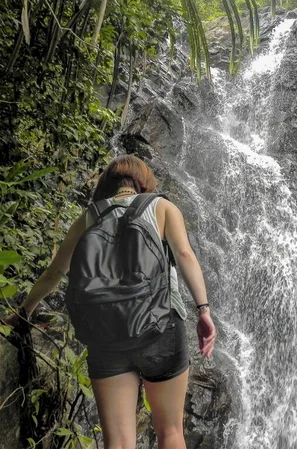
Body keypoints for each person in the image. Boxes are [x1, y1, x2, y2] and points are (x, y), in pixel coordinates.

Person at [2, 154, 216, 449]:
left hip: (105, 335)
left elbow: (55, 272)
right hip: (161, 329)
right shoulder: (161, 206)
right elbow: (185, 256)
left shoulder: (90, 216)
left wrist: (23, 311)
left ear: (107, 184)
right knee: (170, 432)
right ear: (143, 182)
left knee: (117, 442)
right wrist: (203, 311)